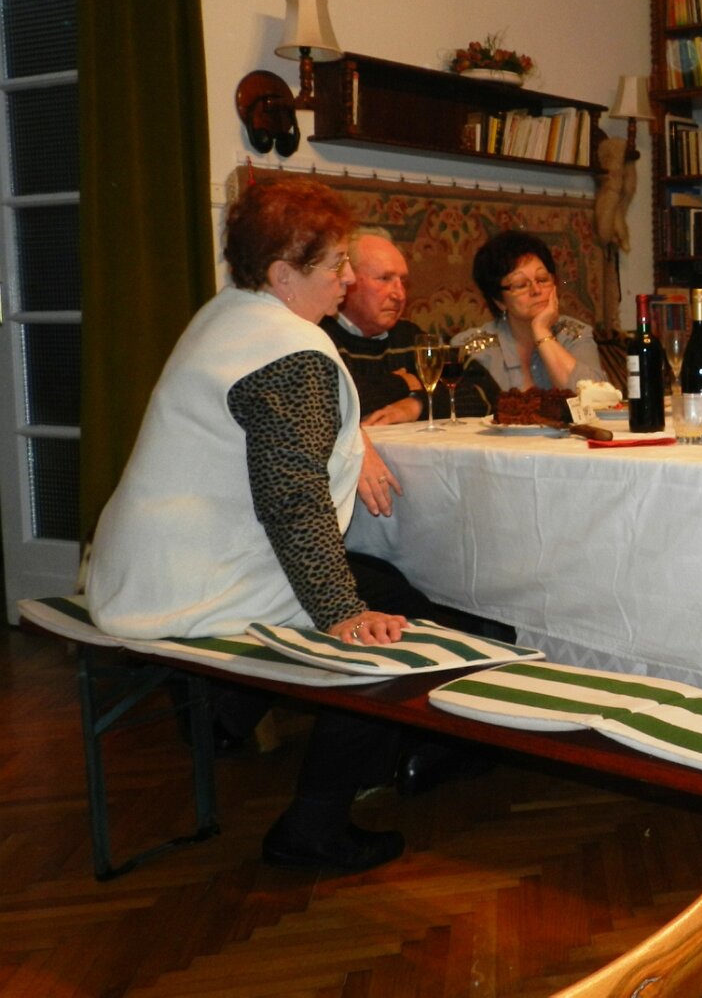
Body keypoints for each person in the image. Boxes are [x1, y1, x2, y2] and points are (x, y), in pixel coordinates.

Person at [85, 178, 459, 874]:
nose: (349, 280)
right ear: (283, 274)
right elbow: (293, 500)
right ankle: (314, 826)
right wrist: (342, 613)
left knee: (385, 585)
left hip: (142, 564)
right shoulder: (290, 353)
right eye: (337, 266)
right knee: (398, 626)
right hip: (195, 582)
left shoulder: (229, 314)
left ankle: (230, 715)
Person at [456, 229, 605, 403]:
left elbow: (596, 400)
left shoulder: (574, 334)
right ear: (499, 301)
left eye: (542, 279)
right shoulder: (470, 350)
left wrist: (542, 331)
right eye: (520, 285)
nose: (536, 290)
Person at [319, 228, 429, 425]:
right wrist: (402, 383)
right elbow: (326, 405)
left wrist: (414, 405)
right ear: (347, 279)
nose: (400, 295)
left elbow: (479, 390)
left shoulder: (408, 336)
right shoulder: (321, 337)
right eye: (385, 279)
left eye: (403, 281)